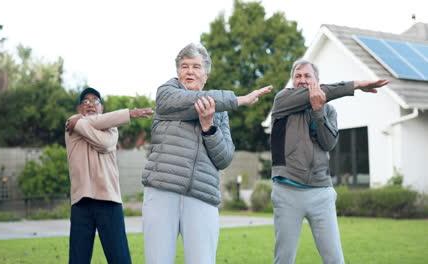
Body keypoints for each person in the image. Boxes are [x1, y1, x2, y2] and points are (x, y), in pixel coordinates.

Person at [141, 42, 272, 264]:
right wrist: (238, 100)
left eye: (195, 66)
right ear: (177, 72)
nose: (189, 71)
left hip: (202, 196)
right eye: (184, 66)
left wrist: (209, 127)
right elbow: (190, 102)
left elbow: (225, 158)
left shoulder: (219, 114)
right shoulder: (167, 95)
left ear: (206, 75)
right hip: (162, 191)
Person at [269, 59, 389, 264]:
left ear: (317, 81)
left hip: (321, 193)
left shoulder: (329, 111)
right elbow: (315, 93)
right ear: (292, 81)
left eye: (307, 76)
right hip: (287, 192)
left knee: (334, 259)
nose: (302, 80)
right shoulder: (283, 101)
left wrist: (318, 111)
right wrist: (356, 85)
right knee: (284, 259)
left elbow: (328, 143)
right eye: (298, 76)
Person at [65, 87, 153, 264]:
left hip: (109, 200)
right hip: (81, 202)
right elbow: (89, 125)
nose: (90, 104)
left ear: (102, 108)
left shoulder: (110, 129)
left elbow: (104, 144)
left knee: (119, 258)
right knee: (78, 259)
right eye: (86, 101)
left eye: (95, 101)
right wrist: (128, 114)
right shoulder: (71, 125)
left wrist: (128, 114)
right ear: (79, 108)